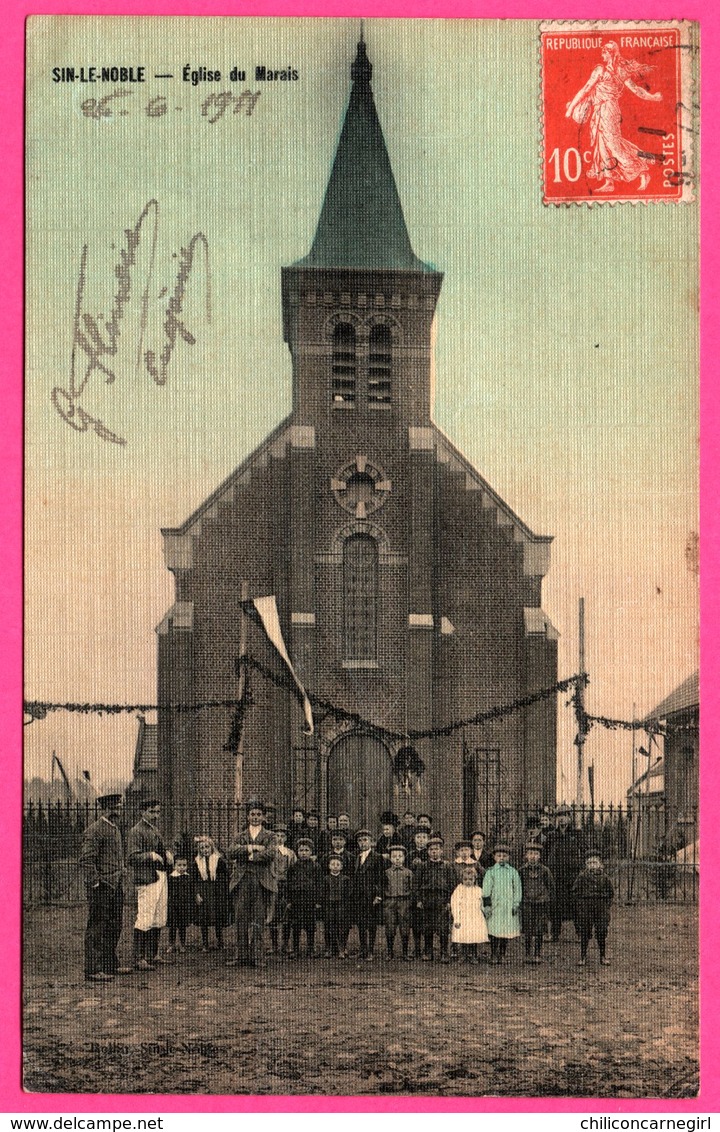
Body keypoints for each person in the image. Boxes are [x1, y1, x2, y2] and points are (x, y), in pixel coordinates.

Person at [565, 41, 662, 193]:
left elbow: (636, 90)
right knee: (602, 145)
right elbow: (586, 89)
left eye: (604, 52)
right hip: (598, 110)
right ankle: (609, 181)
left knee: (613, 145)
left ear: (610, 53)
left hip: (609, 110)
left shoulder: (610, 71)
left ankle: (641, 170)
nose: (602, 55)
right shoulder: (603, 70)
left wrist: (653, 98)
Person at [78, 793, 130, 982]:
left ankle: (110, 964)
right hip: (101, 886)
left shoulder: (115, 828)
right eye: (115, 808)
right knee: (97, 927)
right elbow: (86, 859)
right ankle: (93, 969)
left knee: (115, 925)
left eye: (118, 807)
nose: (118, 811)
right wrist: (95, 882)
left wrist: (121, 869)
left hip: (116, 885)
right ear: (106, 809)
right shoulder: (94, 830)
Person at [227, 801, 277, 968]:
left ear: (263, 817)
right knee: (241, 918)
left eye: (258, 814)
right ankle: (241, 956)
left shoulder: (270, 836)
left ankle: (258, 957)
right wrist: (252, 847)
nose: (255, 817)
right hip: (242, 881)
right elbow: (231, 852)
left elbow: (270, 854)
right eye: (252, 814)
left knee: (258, 919)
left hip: (261, 881)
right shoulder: (240, 836)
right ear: (247, 816)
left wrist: (249, 857)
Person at [127, 799, 173, 971]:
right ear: (142, 812)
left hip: (160, 876)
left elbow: (162, 849)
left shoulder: (155, 830)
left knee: (159, 917)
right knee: (145, 916)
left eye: (157, 812)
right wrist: (151, 855)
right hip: (146, 879)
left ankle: (153, 955)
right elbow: (132, 857)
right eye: (152, 812)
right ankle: (139, 958)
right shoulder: (136, 831)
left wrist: (167, 853)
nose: (155, 815)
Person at [545, 805, 583, 942]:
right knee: (555, 905)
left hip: (572, 876)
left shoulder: (576, 835)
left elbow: (583, 853)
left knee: (575, 905)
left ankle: (580, 934)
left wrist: (578, 868)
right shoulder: (551, 836)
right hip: (556, 876)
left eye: (565, 816)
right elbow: (545, 855)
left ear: (569, 818)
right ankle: (554, 934)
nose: (562, 819)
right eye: (559, 816)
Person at [414, 836, 455, 962]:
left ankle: (444, 952)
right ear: (428, 851)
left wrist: (449, 901)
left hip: (441, 899)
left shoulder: (447, 866)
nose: (434, 852)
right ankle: (428, 951)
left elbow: (452, 885)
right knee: (427, 927)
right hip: (427, 899)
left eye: (437, 849)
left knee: (443, 927)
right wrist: (419, 900)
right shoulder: (423, 866)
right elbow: (416, 884)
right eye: (431, 849)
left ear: (441, 851)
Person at [572, 850, 614, 966]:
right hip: (586, 907)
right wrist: (580, 905)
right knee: (585, 932)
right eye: (589, 863)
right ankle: (583, 956)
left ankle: (603, 956)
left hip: (601, 908)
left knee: (601, 931)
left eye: (595, 862)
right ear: (586, 864)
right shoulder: (582, 877)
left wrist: (606, 906)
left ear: (600, 864)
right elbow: (575, 892)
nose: (592, 865)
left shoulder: (605, 878)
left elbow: (611, 893)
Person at [348, 829, 385, 960]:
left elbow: (381, 878)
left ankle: (370, 951)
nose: (363, 843)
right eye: (360, 841)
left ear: (371, 841)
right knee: (361, 923)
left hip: (371, 895)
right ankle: (363, 950)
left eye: (365, 840)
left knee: (371, 924)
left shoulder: (377, 857)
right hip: (358, 896)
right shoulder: (356, 857)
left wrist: (379, 896)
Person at [482, 844, 522, 964]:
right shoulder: (491, 872)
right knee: (494, 930)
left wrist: (516, 904)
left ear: (508, 857)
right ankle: (494, 953)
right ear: (494, 857)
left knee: (506, 931)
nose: (501, 858)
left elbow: (517, 889)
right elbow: (486, 890)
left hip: (508, 906)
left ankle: (502, 954)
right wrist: (487, 905)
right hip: (496, 906)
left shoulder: (513, 872)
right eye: (499, 855)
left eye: (504, 856)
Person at [192, 835, 230, 952]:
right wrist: (196, 894)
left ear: (212, 847)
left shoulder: (219, 860)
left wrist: (223, 891)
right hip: (204, 890)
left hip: (217, 891)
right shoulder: (196, 862)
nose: (205, 850)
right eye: (202, 848)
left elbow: (226, 876)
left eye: (207, 847)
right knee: (204, 917)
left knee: (218, 916)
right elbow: (193, 879)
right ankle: (205, 943)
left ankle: (220, 941)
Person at [519, 842, 555, 964]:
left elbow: (551, 887)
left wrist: (548, 901)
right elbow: (519, 887)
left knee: (539, 929)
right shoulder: (522, 870)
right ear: (526, 856)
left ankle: (537, 954)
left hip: (541, 903)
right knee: (528, 929)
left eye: (535, 853)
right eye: (530, 853)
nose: (533, 856)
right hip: (527, 903)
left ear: (539, 856)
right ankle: (528, 953)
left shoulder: (545, 870)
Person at [451, 864, 489, 963]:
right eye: (465, 879)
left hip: (475, 916)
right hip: (463, 916)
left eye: (470, 879)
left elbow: (482, 904)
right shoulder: (459, 890)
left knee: (473, 936)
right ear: (462, 879)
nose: (468, 881)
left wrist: (486, 912)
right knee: (463, 935)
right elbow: (455, 904)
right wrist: (457, 918)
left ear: (475, 879)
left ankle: (473, 955)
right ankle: (463, 954)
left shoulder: (479, 890)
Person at [268, 822, 296, 956]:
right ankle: (274, 945)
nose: (280, 838)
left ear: (286, 838)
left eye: (282, 836)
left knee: (286, 914)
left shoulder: (290, 853)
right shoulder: (269, 852)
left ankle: (285, 944)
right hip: (272, 885)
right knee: (272, 914)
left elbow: (294, 870)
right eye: (277, 835)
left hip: (286, 886)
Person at [382, 844, 413, 960]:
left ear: (404, 858)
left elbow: (411, 888)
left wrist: (410, 901)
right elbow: (383, 887)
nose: (397, 859)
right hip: (390, 902)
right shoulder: (386, 873)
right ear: (390, 858)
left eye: (400, 856)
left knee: (404, 927)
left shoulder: (408, 873)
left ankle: (405, 952)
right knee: (390, 927)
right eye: (394, 856)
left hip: (404, 902)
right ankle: (390, 951)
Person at [320, 855, 350, 958]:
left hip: (341, 905)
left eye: (338, 864)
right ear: (329, 866)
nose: (335, 866)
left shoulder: (345, 879)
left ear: (341, 867)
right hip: (329, 905)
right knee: (329, 926)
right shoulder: (326, 879)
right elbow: (322, 893)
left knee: (341, 926)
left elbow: (348, 893)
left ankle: (341, 948)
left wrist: (346, 903)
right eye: (333, 864)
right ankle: (329, 948)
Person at [166, 857, 194, 954]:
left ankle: (182, 944)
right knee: (172, 926)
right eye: (179, 865)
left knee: (182, 926)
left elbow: (191, 891)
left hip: (184, 905)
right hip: (173, 905)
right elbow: (167, 891)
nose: (182, 868)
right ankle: (171, 944)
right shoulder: (171, 877)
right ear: (174, 866)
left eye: (184, 865)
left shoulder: (188, 877)